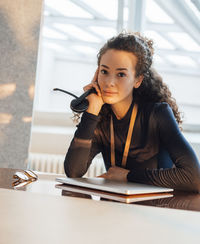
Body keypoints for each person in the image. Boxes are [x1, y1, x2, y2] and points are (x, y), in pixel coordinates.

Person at [64, 32, 200, 192]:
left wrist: (127, 176)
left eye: (121, 74)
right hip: (113, 208)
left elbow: (193, 177)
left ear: (138, 80)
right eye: (104, 71)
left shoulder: (158, 114)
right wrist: (91, 111)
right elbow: (73, 172)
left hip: (157, 209)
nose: (109, 82)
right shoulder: (100, 117)